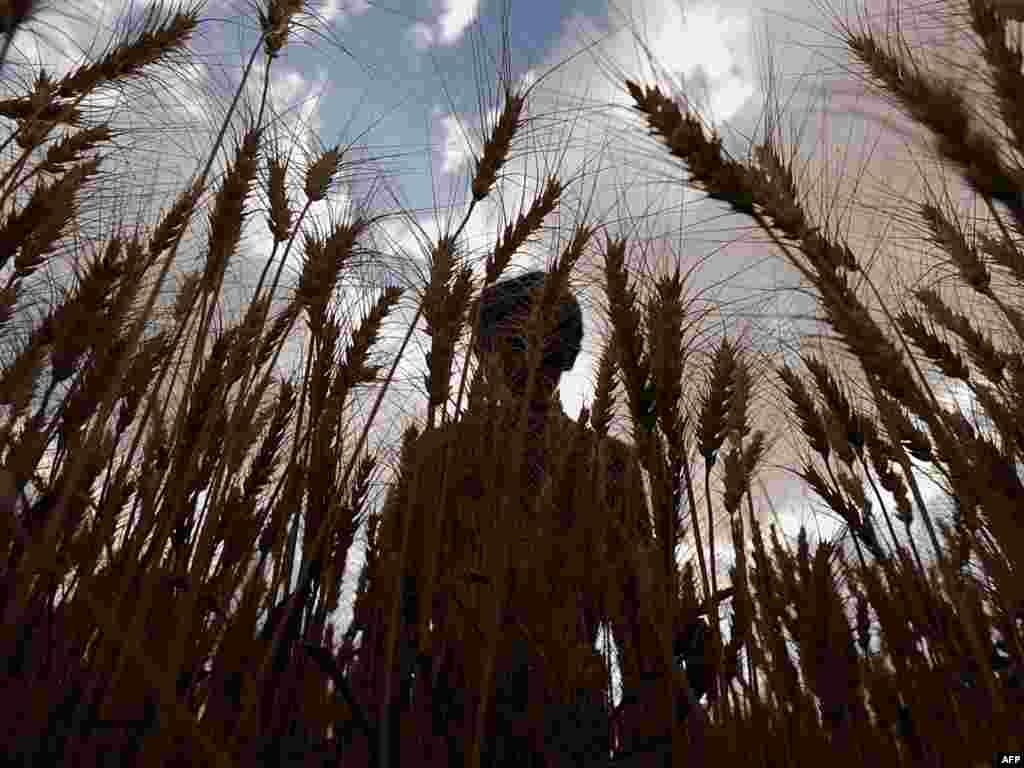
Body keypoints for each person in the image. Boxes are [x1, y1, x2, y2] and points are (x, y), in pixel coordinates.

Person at [347, 268, 707, 766]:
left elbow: (637, 627)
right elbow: (393, 613)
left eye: (536, 344)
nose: (526, 360)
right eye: (512, 344)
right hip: (468, 716)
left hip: (535, 719)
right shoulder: (439, 457)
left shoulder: (441, 455)